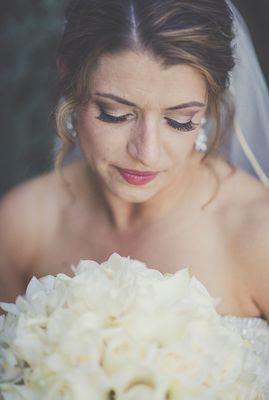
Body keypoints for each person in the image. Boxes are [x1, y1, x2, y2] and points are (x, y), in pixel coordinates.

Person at [0, 0, 269, 329]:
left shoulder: (258, 234)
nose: (147, 153)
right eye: (116, 114)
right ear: (68, 77)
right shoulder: (20, 227)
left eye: (180, 120)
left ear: (210, 104)